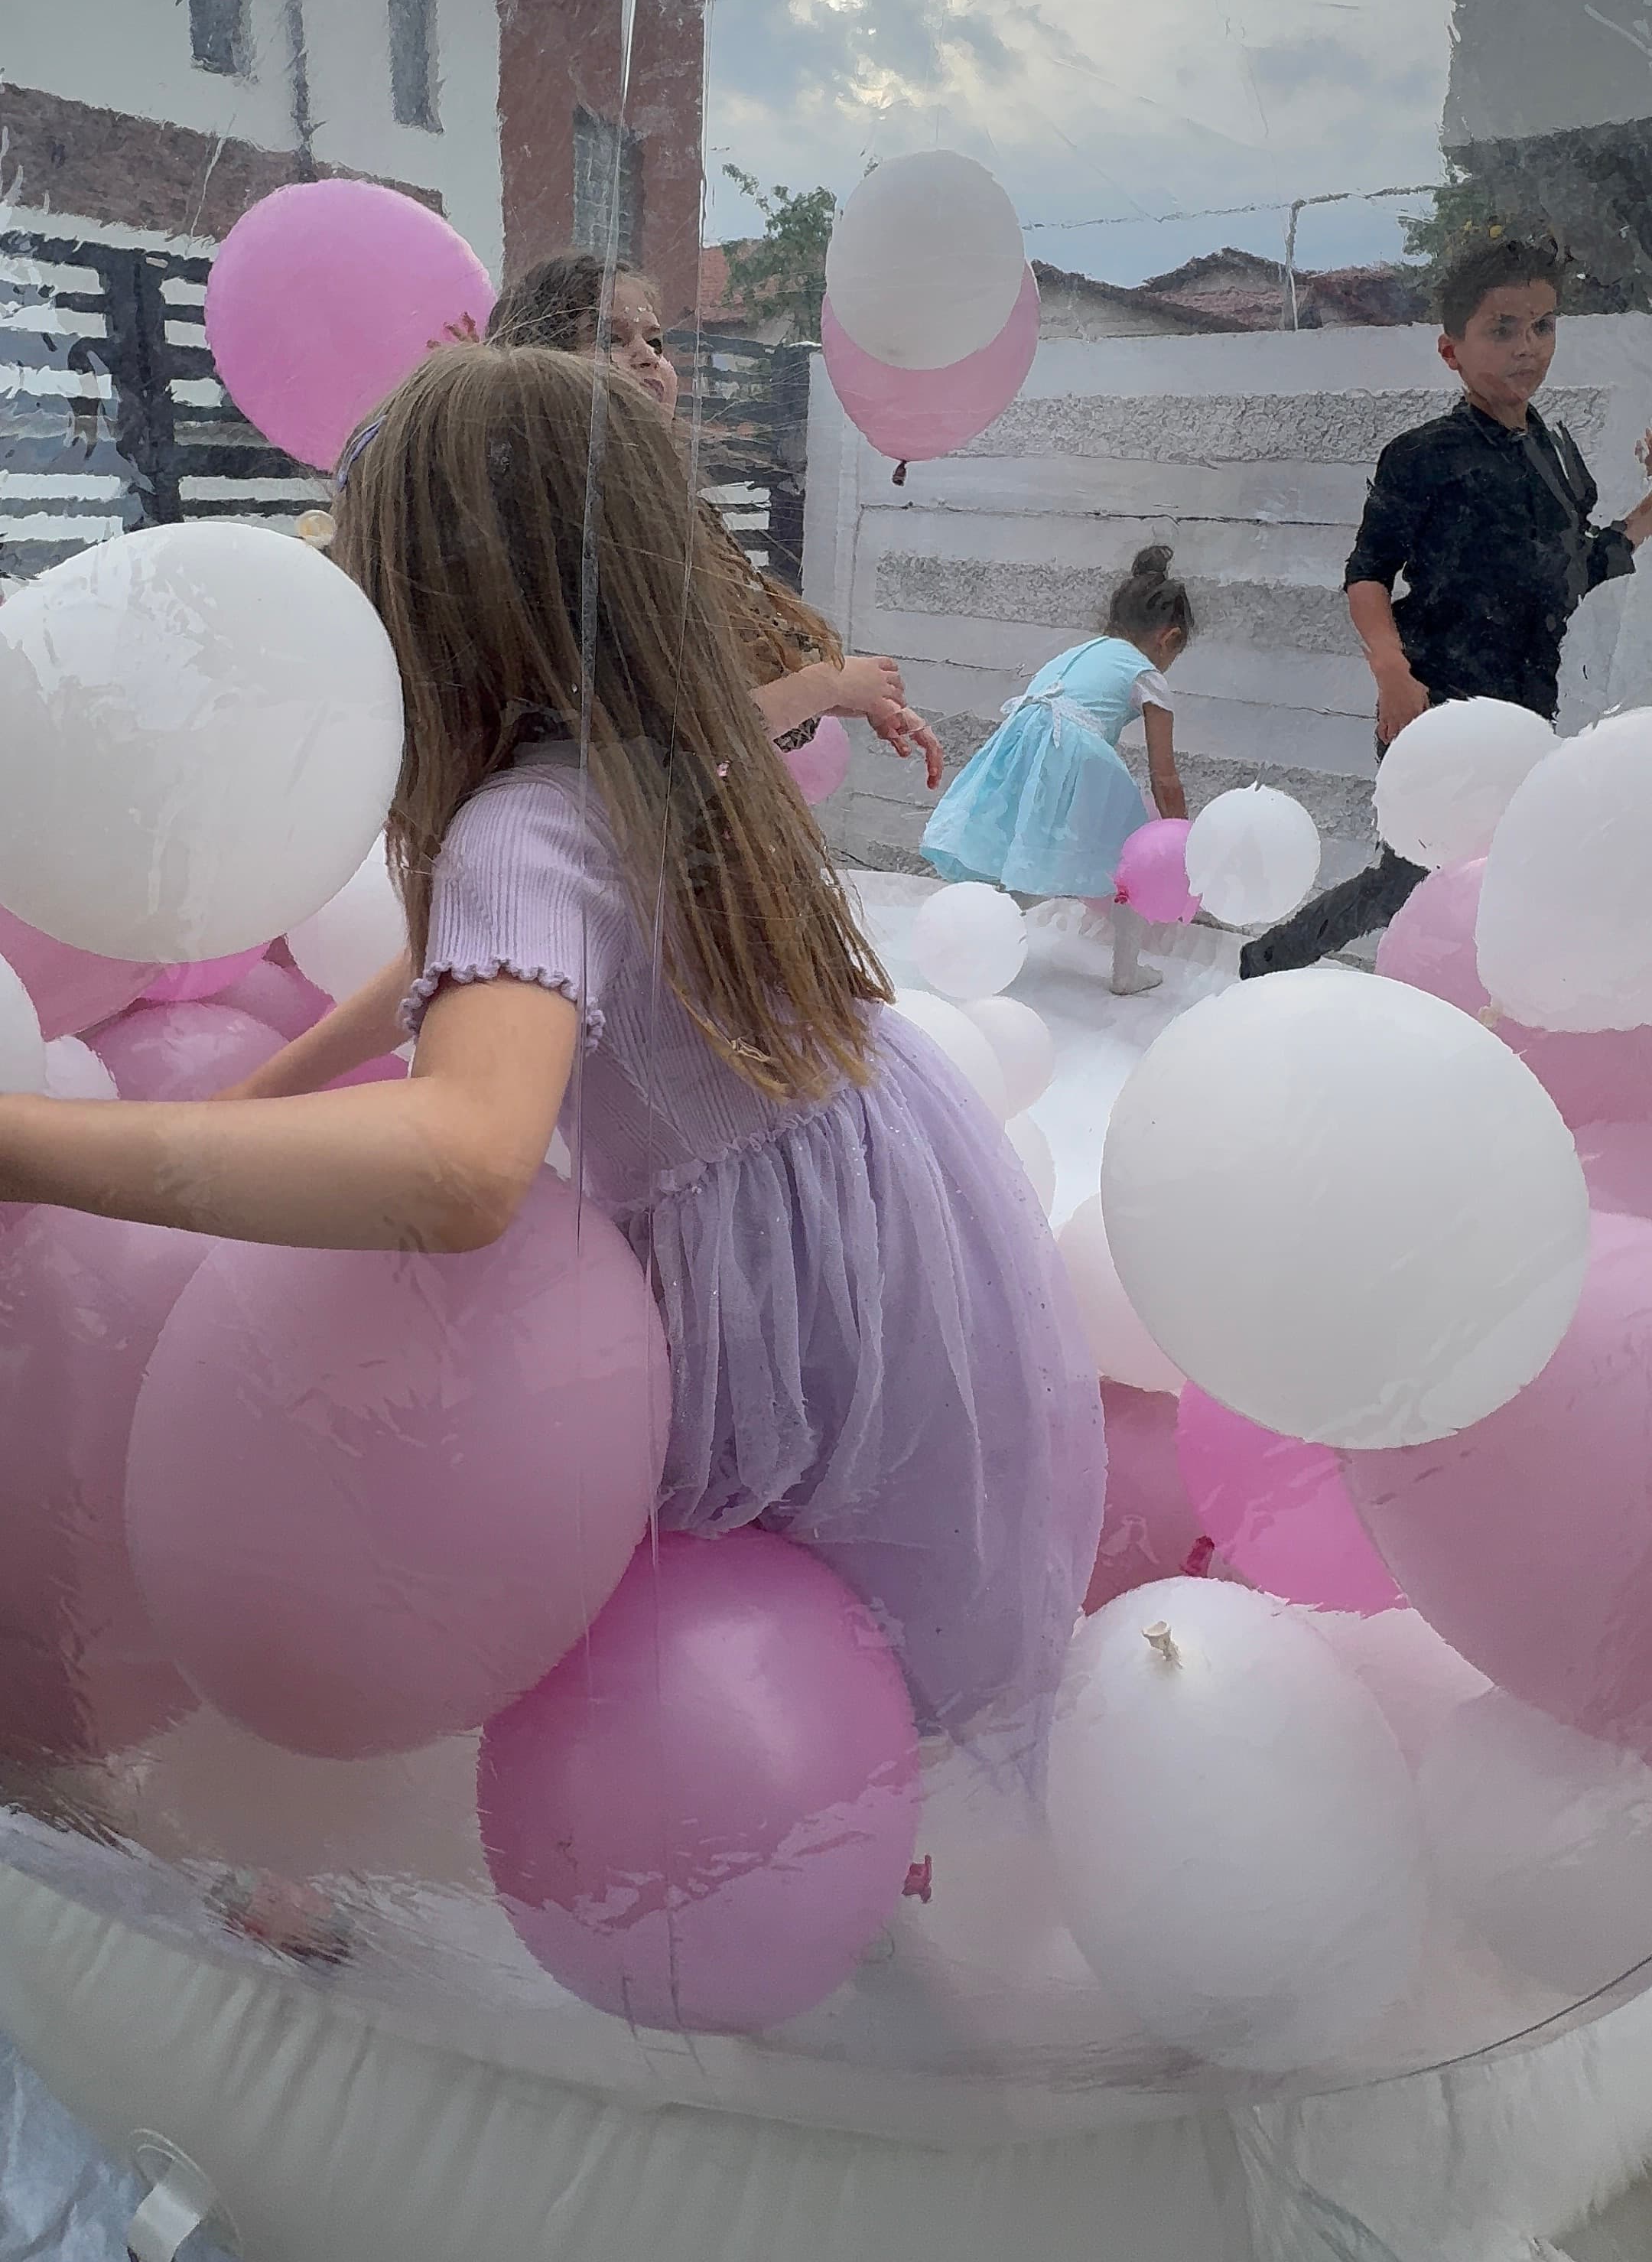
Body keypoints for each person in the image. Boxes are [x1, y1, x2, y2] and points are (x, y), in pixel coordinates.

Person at [0, 348, 1101, 1749]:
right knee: (889, 1575)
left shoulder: (519, 827)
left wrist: (26, 1141)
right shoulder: (654, 744)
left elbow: (466, 1159)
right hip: (870, 1171)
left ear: (420, 611)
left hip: (759, 1263)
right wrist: (269, 1089)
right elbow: (467, 962)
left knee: (764, 1616)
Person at [1241, 231, 1652, 977]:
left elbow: (1579, 569)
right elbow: (1368, 574)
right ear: (1451, 350)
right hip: (1438, 705)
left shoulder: (1553, 452)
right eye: (1503, 329)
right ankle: (1269, 966)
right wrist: (1392, 675)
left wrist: (1648, 509)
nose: (1527, 347)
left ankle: (1482, 1003)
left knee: (1508, 869)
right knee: (1410, 875)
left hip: (1530, 709)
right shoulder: (1423, 455)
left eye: (1543, 325)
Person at [489, 251, 943, 788]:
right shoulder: (576, 528)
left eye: (656, 342)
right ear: (539, 368)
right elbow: (680, 735)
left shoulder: (661, 511)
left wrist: (851, 694)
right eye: (611, 338)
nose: (648, 358)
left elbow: (719, 695)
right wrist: (829, 685)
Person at [919, 545, 1194, 996]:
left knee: (1040, 861)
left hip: (1022, 750)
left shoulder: (1079, 653)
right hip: (1073, 754)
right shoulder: (1147, 675)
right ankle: (1126, 971)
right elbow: (1164, 775)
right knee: (1135, 858)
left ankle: (973, 935)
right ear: (1170, 639)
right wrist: (1179, 836)